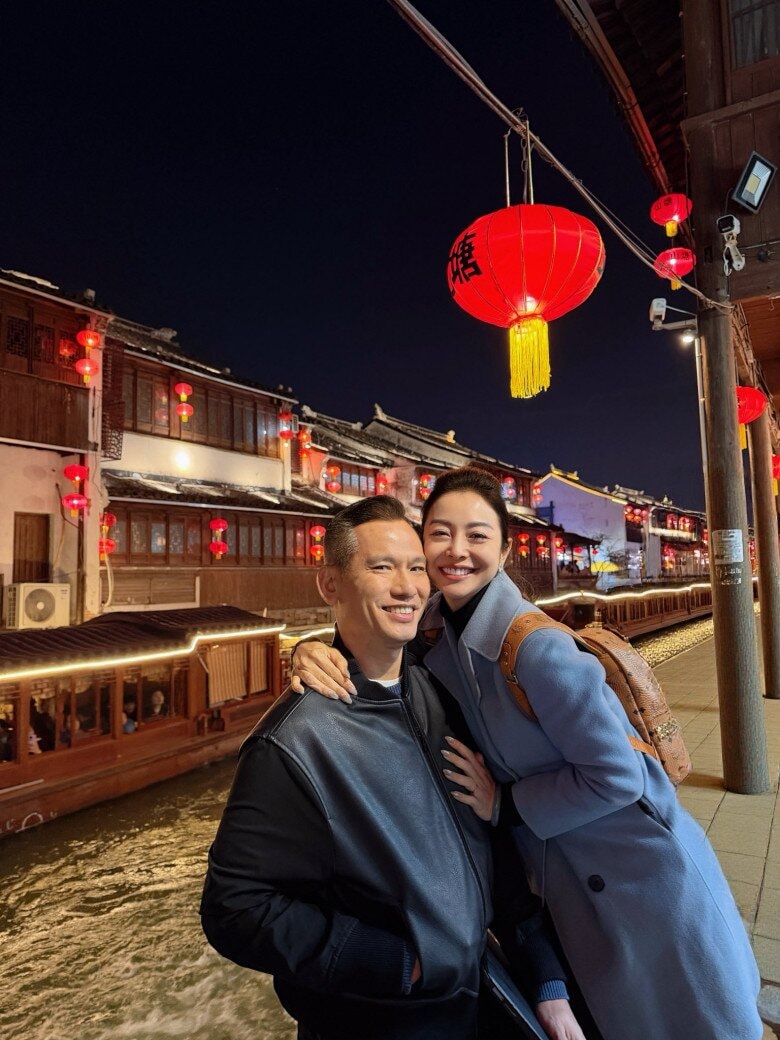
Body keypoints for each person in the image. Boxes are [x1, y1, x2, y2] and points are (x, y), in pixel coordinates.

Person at [293, 468, 763, 1040]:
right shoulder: (437, 635)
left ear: (504, 550)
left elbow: (619, 776)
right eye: (440, 534)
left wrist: (505, 803)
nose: (456, 551)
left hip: (642, 880)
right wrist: (311, 651)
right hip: (567, 888)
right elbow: (371, 636)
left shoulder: (536, 648)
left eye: (477, 535)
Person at [201, 496, 584, 1040]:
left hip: (477, 998)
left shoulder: (438, 694)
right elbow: (235, 908)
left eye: (416, 568)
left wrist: (545, 977)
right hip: (383, 1021)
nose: (407, 587)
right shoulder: (293, 742)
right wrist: (399, 964)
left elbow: (484, 840)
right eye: (382, 567)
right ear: (330, 584)